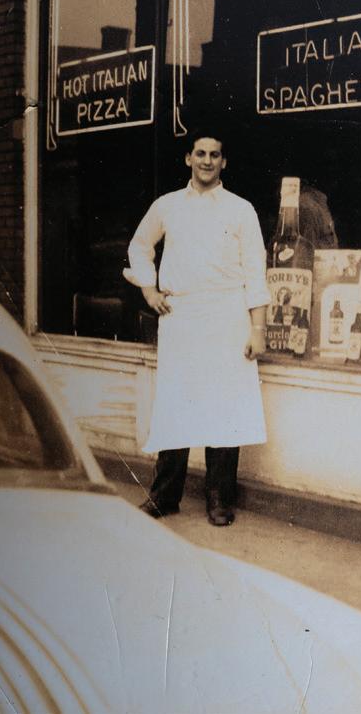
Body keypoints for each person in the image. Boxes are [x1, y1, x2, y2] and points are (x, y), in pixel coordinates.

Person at [124, 130, 270, 527]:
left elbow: (255, 270)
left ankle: (220, 500)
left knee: (224, 407)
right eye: (200, 153)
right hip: (182, 317)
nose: (207, 161)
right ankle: (164, 496)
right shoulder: (167, 205)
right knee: (176, 404)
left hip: (227, 316)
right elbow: (139, 246)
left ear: (224, 162)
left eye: (215, 155)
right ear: (188, 158)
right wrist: (149, 290)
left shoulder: (242, 210)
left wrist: (258, 328)